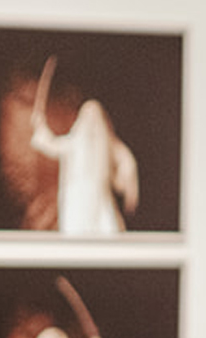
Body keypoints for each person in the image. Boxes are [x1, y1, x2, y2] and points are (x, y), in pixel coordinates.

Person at [30, 55, 139, 235]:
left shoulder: (95, 137)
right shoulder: (78, 141)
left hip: (92, 203)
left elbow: (126, 164)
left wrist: (128, 186)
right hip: (81, 204)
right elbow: (49, 143)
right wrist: (40, 127)